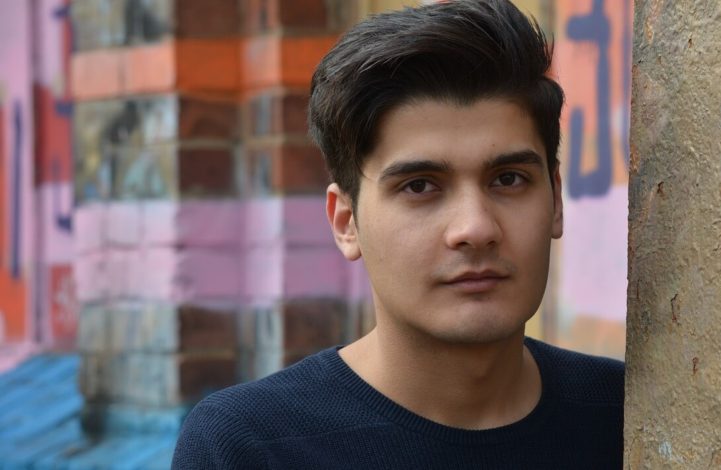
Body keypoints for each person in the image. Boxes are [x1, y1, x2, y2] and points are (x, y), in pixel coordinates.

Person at [172, 1, 624, 468]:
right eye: (420, 186)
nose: (475, 228)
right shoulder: (248, 445)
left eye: (508, 179)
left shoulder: (626, 416)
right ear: (346, 222)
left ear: (555, 198)